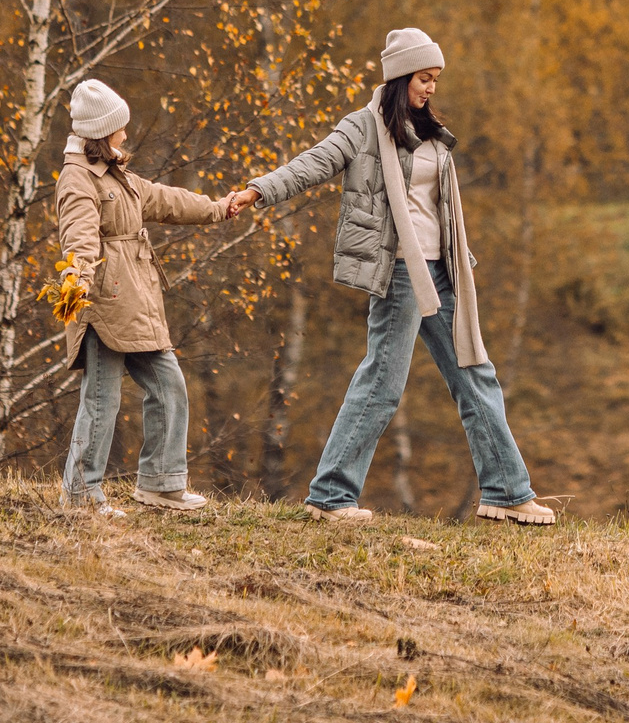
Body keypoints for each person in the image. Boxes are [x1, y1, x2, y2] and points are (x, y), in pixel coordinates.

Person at [230, 28, 554, 526]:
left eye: (436, 79)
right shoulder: (362, 129)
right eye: (425, 78)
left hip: (443, 270)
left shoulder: (430, 133)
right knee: (382, 381)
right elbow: (313, 164)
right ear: (401, 76)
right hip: (402, 273)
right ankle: (332, 497)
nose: (431, 88)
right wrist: (258, 191)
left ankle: (507, 492)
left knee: (475, 373)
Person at [54, 78, 250, 517]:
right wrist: (78, 278)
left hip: (136, 305)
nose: (126, 133)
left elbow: (168, 200)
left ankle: (161, 484)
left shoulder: (117, 175)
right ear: (102, 132)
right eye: (119, 127)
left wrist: (219, 207)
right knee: (101, 401)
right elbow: (79, 236)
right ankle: (81, 495)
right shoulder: (78, 179)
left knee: (169, 387)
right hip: (103, 306)